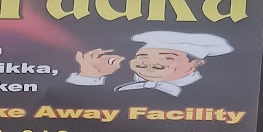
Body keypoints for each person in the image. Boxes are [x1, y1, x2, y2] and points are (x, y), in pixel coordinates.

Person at [62, 30, 234, 99]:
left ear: (196, 62)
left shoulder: (213, 92)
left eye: (167, 58)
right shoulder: (114, 83)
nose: (150, 64)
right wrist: (90, 76)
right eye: (143, 56)